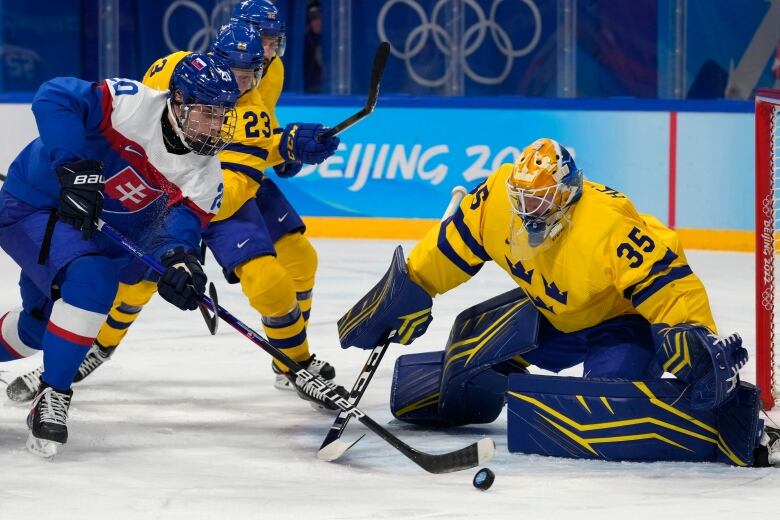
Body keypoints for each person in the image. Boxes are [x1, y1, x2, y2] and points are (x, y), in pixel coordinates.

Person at [337, 137, 780, 467]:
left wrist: (688, 331)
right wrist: (409, 288)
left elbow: (668, 281)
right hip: (547, 312)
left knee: (608, 411)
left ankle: (721, 428)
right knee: (462, 367)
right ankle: (459, 383)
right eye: (522, 198)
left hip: (618, 321)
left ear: (567, 193)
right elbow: (448, 247)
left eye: (540, 198)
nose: (528, 209)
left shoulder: (608, 226)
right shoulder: (496, 202)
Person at [7, 14, 344, 410]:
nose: (263, 60)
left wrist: (283, 148)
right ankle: (90, 348)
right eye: (258, 47)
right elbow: (144, 127)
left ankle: (295, 363)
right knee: (132, 281)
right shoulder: (175, 71)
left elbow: (241, 164)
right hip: (167, 184)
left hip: (222, 189)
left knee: (281, 269)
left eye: (270, 47)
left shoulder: (265, 85)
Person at [0, 53, 239, 457]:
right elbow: (54, 95)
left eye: (222, 116)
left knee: (42, 331)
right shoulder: (131, 105)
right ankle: (53, 396)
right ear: (177, 101)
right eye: (207, 113)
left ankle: (51, 369)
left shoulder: (204, 175)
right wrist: (75, 168)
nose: (215, 126)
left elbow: (174, 231)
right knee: (94, 284)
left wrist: (179, 262)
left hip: (90, 235)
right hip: (37, 204)